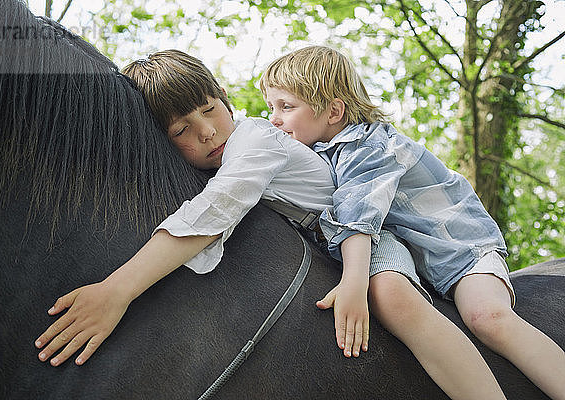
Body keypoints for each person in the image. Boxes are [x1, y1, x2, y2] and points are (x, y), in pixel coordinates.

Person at [33, 50, 420, 371]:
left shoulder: (256, 139)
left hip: (363, 238)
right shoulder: (217, 160)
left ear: (223, 95)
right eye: (180, 131)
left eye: (208, 109)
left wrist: (115, 291)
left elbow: (216, 209)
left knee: (397, 302)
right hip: (333, 244)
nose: (206, 132)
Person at [260, 45, 565, 400]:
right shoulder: (316, 152)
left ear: (334, 111)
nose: (274, 119)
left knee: (488, 318)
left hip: (457, 248)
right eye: (271, 107)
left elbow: (359, 214)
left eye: (286, 107)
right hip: (409, 250)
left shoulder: (367, 144)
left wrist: (353, 283)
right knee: (397, 300)